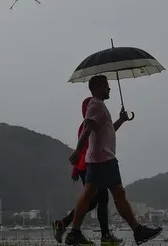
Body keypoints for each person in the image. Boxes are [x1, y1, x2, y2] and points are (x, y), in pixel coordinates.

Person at [64, 75, 162, 245]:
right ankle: (138, 231)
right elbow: (87, 129)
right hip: (105, 159)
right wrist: (78, 151)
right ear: (96, 88)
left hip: (98, 159)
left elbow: (106, 131)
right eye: (106, 86)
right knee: (118, 194)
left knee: (88, 196)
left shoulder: (99, 106)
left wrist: (121, 120)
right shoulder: (95, 105)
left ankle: (74, 232)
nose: (109, 89)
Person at [53, 97, 121, 245]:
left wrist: (121, 121)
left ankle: (64, 224)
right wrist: (77, 155)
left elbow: (107, 132)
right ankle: (104, 236)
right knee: (100, 199)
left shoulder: (91, 123)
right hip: (90, 165)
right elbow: (86, 142)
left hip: (88, 166)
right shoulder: (88, 124)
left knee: (94, 201)